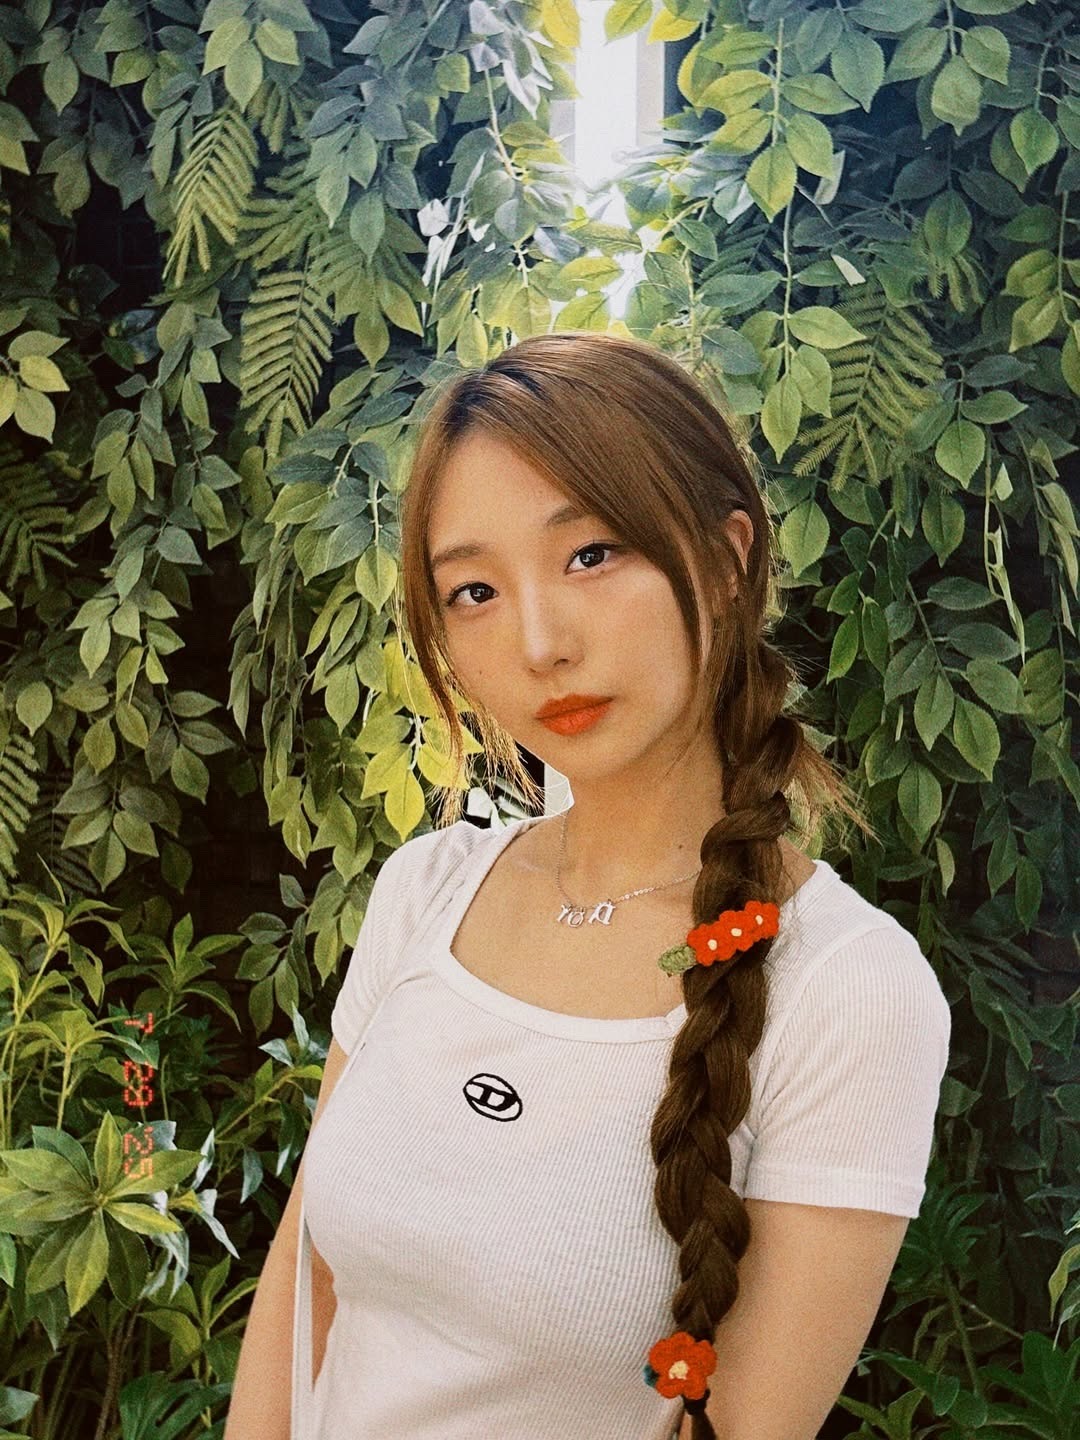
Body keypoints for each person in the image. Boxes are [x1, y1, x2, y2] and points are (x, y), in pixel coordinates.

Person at [225, 331, 952, 1440]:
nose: (539, 642)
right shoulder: (427, 891)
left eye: (591, 554)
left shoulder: (847, 990)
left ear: (726, 558)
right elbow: (304, 1283)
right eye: (473, 590)